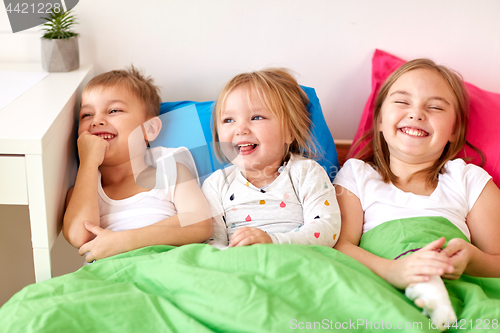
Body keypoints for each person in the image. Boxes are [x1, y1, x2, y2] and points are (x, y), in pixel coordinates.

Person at [333, 59, 500, 330]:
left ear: (454, 131)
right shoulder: (357, 175)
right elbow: (340, 246)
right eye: (402, 102)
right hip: (380, 289)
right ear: (379, 120)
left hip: (461, 298)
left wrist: (471, 258)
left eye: (434, 107)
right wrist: (394, 271)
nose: (417, 113)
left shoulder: (468, 179)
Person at [63, 66, 212, 263]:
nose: (97, 121)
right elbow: (78, 237)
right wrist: (88, 163)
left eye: (113, 110)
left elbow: (200, 224)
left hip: (170, 267)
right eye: (86, 115)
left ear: (149, 129)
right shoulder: (84, 189)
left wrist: (124, 241)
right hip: (112, 279)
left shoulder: (171, 171)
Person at [202, 68, 340, 248]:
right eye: (228, 120)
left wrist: (273, 241)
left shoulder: (306, 172)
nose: (240, 128)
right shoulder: (216, 184)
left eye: (257, 117)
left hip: (294, 261)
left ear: (289, 133)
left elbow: (327, 228)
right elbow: (212, 241)